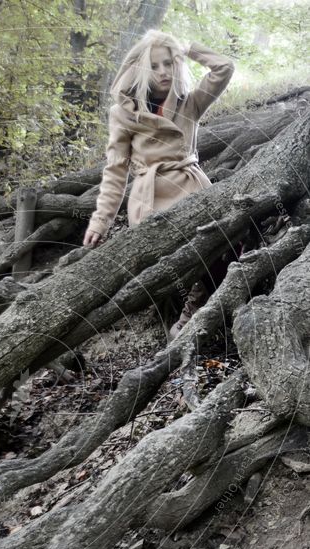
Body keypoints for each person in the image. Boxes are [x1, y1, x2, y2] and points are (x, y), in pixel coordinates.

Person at [83, 30, 235, 338]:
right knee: (189, 253)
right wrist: (101, 221)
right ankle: (188, 320)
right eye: (155, 65)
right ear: (141, 69)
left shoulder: (189, 102)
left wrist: (188, 45)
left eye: (169, 63)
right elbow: (115, 170)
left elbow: (224, 67)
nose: (164, 71)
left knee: (228, 242)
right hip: (152, 197)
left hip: (193, 187)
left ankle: (197, 318)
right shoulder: (124, 113)